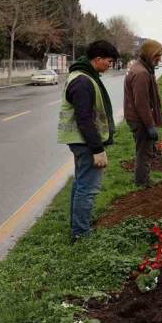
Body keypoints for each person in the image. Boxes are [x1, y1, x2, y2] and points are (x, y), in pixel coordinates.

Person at [58, 40, 119, 242]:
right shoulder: (83, 81)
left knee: (80, 184)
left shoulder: (82, 76)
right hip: (85, 142)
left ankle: (78, 227)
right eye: (109, 61)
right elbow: (84, 119)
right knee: (87, 188)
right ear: (98, 59)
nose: (110, 65)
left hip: (80, 141)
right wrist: (97, 149)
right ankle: (81, 234)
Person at [124, 39, 162, 188]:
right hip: (139, 120)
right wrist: (150, 126)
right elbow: (141, 103)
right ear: (149, 54)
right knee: (144, 152)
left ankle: (142, 179)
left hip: (137, 118)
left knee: (145, 150)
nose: (159, 59)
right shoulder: (141, 73)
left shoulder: (142, 68)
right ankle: (142, 182)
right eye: (157, 56)